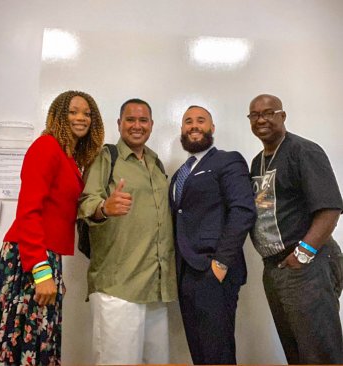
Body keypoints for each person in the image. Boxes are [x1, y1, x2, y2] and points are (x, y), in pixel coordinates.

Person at [0, 90, 104, 365]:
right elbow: (28, 211)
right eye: (73, 112)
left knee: (36, 346)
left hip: (45, 255)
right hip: (31, 254)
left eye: (87, 113)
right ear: (59, 115)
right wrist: (41, 271)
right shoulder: (46, 146)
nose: (81, 117)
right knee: (27, 350)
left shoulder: (69, 158)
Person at [78, 98, 177, 365]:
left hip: (155, 287)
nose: (137, 125)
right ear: (119, 124)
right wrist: (104, 207)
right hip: (118, 287)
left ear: (151, 125)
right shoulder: (105, 158)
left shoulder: (156, 164)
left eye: (143, 120)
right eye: (130, 120)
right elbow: (85, 203)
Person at [248, 93, 343, 364]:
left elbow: (330, 208)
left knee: (320, 352)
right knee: (296, 352)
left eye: (268, 112)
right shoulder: (258, 161)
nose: (261, 119)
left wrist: (303, 254)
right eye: (255, 115)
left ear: (283, 116)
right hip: (277, 268)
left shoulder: (304, 151)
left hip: (306, 265)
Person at [170, 105, 256, 365]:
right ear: (182, 130)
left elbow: (243, 211)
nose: (194, 125)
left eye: (201, 120)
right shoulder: (179, 174)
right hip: (185, 273)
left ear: (212, 128)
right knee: (199, 352)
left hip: (214, 271)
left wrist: (220, 264)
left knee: (217, 353)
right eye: (188, 122)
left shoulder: (228, 160)